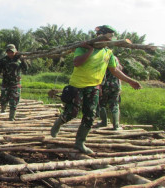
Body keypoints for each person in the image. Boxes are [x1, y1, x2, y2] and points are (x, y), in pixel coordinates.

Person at [50, 25, 142, 154]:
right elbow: (77, 62)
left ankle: (80, 143)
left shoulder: (108, 52)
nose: (110, 40)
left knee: (90, 115)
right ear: (100, 36)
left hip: (94, 87)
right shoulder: (83, 47)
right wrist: (89, 50)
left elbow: (114, 70)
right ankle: (58, 123)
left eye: (111, 38)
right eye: (108, 37)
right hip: (77, 86)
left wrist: (130, 81)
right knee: (72, 113)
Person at [0, 44, 28, 121]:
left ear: (15, 51)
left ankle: (11, 118)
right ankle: (3, 110)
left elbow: (26, 69)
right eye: (8, 52)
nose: (10, 54)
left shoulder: (19, 60)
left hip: (16, 83)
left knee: (14, 101)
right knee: (3, 99)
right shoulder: (3, 60)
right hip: (5, 83)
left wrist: (23, 60)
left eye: (11, 52)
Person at [97, 56, 123, 130]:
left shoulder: (103, 58)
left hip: (105, 85)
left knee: (101, 104)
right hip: (116, 85)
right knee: (115, 104)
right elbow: (119, 72)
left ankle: (104, 122)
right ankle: (116, 125)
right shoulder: (115, 59)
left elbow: (101, 74)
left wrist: (100, 86)